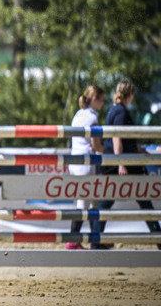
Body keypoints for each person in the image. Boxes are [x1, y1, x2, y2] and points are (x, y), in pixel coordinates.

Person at [90, 79, 161, 249]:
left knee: (108, 201)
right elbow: (117, 138)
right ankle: (158, 239)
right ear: (130, 95)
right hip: (122, 163)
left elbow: (125, 139)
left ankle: (95, 239)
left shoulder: (114, 110)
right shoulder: (121, 112)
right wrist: (122, 163)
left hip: (117, 161)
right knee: (143, 201)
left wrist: (141, 151)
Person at [65, 85, 105, 249]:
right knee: (85, 203)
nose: (103, 104)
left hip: (75, 163)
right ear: (94, 100)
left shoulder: (79, 114)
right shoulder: (92, 118)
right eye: (102, 101)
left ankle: (94, 238)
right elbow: (96, 145)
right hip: (87, 164)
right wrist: (110, 152)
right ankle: (74, 239)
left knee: (92, 202)